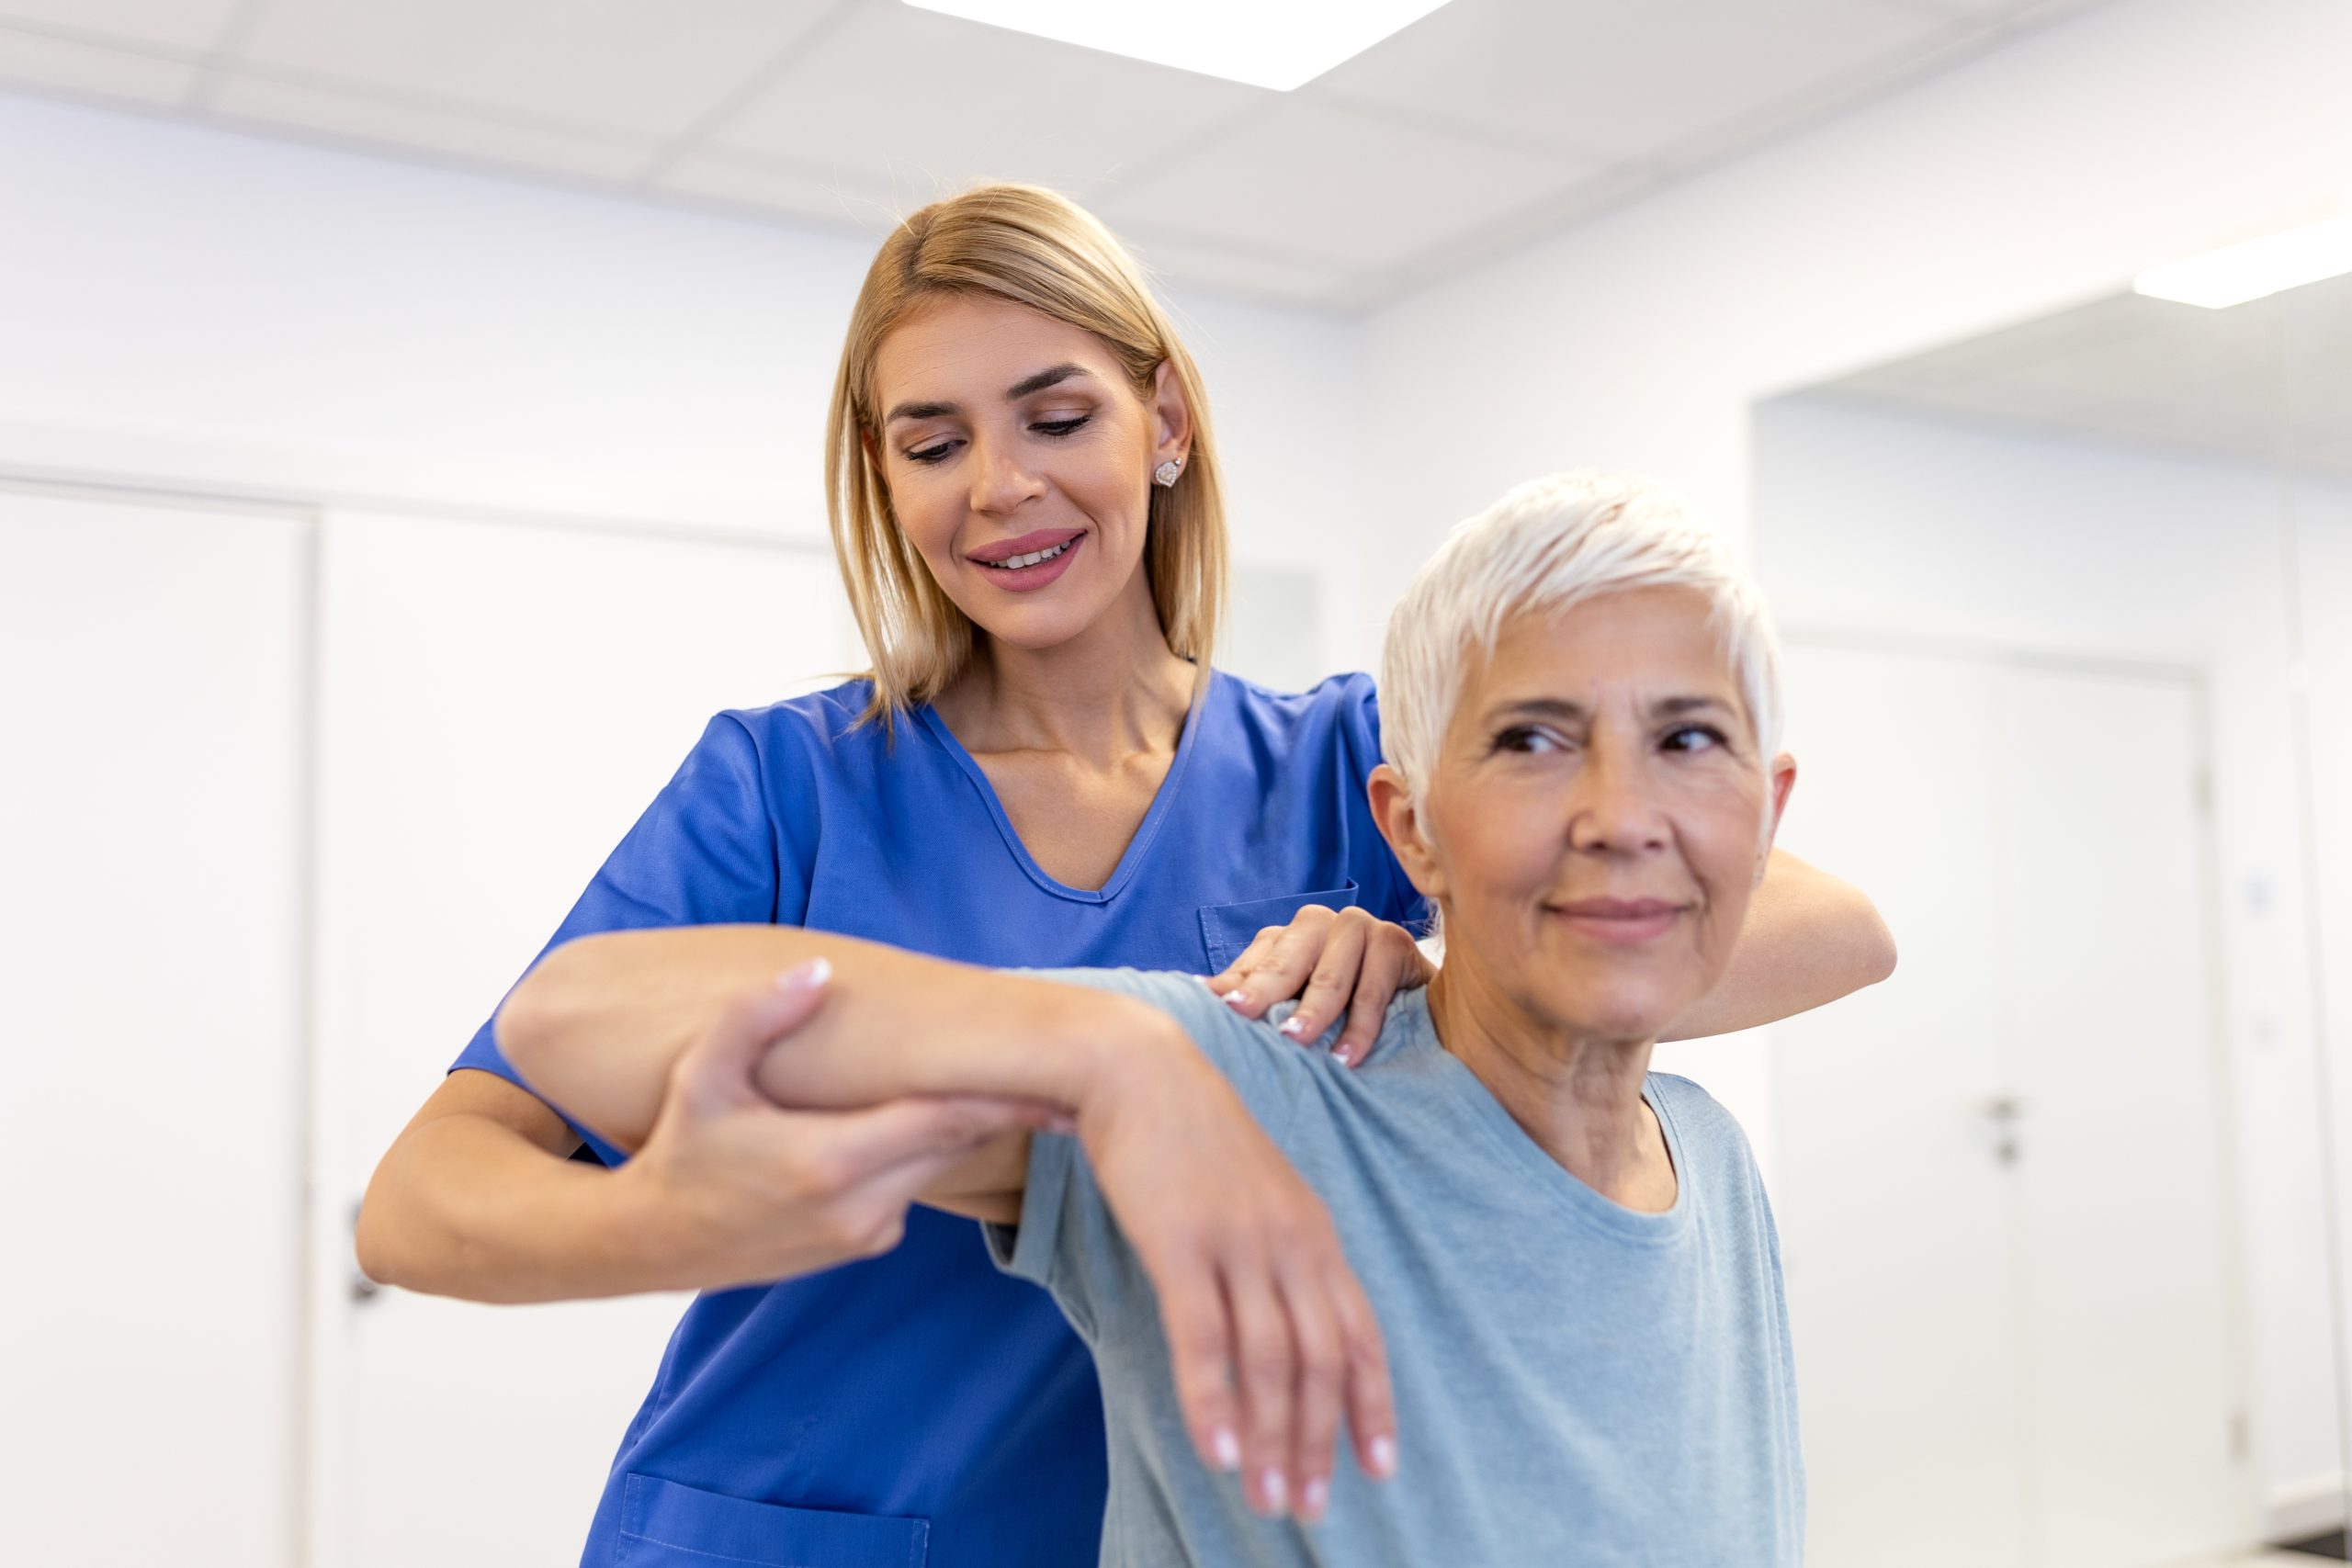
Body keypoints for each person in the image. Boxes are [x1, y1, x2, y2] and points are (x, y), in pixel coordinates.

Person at [356, 186, 1885, 1565]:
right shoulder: (790, 783)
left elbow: (1823, 924)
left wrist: (1440, 956)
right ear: (883, 482)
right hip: (797, 1524)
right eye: (933, 443)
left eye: (1054, 416)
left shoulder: (1342, 767)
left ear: (1165, 423)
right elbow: (421, 1198)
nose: (1000, 488)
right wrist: (683, 1221)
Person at [505, 469, 1813, 1565]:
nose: (1620, 815)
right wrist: (1111, 1057)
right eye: (1531, 740)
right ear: (1407, 825)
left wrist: (1428, 941)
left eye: (1689, 740)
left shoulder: (1711, 1165)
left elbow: (1861, 933)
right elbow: (575, 1021)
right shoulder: (1243, 1078)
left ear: (1770, 810)